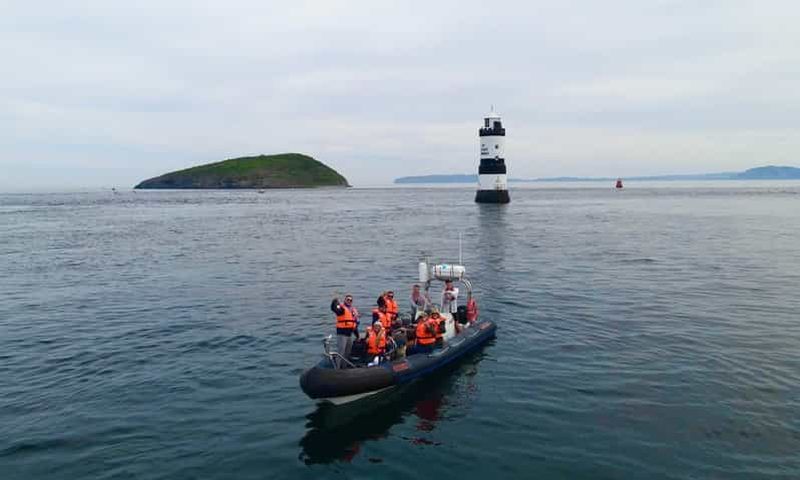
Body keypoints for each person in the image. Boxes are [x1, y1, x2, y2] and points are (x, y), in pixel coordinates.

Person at [331, 294, 359, 368]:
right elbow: (334, 309)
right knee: (341, 351)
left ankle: (344, 367)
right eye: (348, 299)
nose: (349, 301)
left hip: (349, 334)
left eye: (350, 300)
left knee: (347, 351)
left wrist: (357, 336)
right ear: (345, 300)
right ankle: (337, 368)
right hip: (342, 333)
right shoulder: (342, 309)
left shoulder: (353, 310)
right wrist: (335, 301)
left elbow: (354, 324)